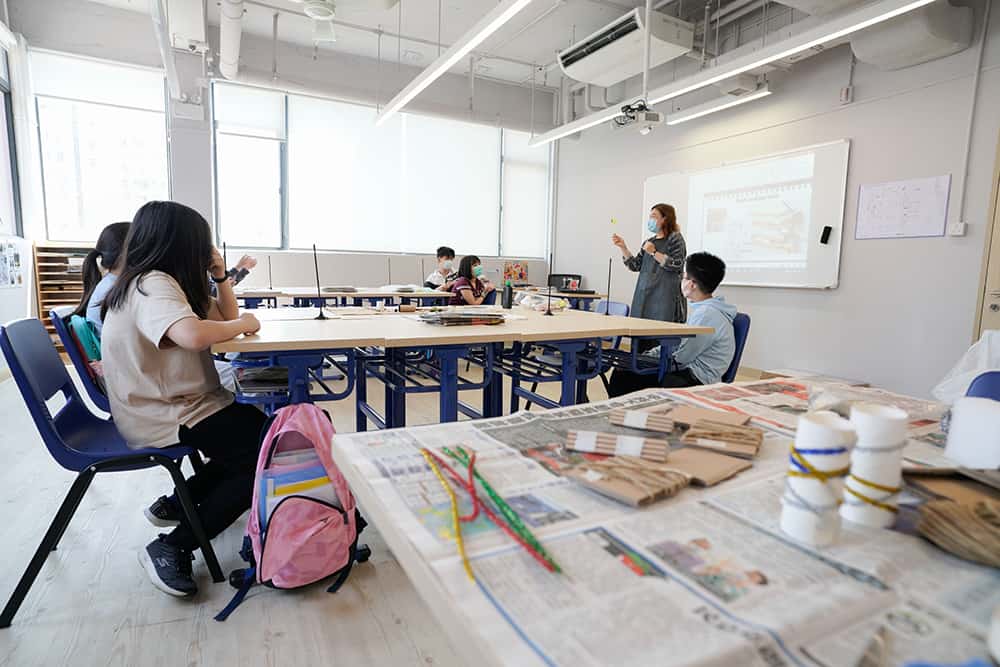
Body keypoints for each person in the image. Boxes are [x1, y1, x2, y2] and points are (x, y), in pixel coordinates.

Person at [101, 200, 265, 598]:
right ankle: (173, 544)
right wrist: (245, 324)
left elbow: (225, 316)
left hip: (181, 402)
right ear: (182, 244)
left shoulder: (161, 282)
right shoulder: (152, 284)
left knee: (265, 437)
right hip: (166, 411)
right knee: (265, 461)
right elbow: (199, 334)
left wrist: (221, 275)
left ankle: (180, 502)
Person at [607, 252, 736, 396]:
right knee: (628, 368)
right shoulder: (706, 310)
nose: (682, 280)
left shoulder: (706, 314)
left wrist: (646, 359)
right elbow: (678, 346)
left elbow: (682, 357)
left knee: (624, 375)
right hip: (688, 371)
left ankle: (621, 416)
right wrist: (646, 356)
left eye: (685, 277)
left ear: (692, 284)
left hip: (696, 379)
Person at [612, 204, 687, 327]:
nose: (650, 220)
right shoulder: (648, 242)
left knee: (660, 337)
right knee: (640, 338)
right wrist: (623, 248)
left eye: (654, 216)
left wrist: (654, 252)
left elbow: (677, 264)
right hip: (644, 299)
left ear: (665, 219)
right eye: (650, 216)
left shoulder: (675, 239)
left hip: (664, 302)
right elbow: (635, 265)